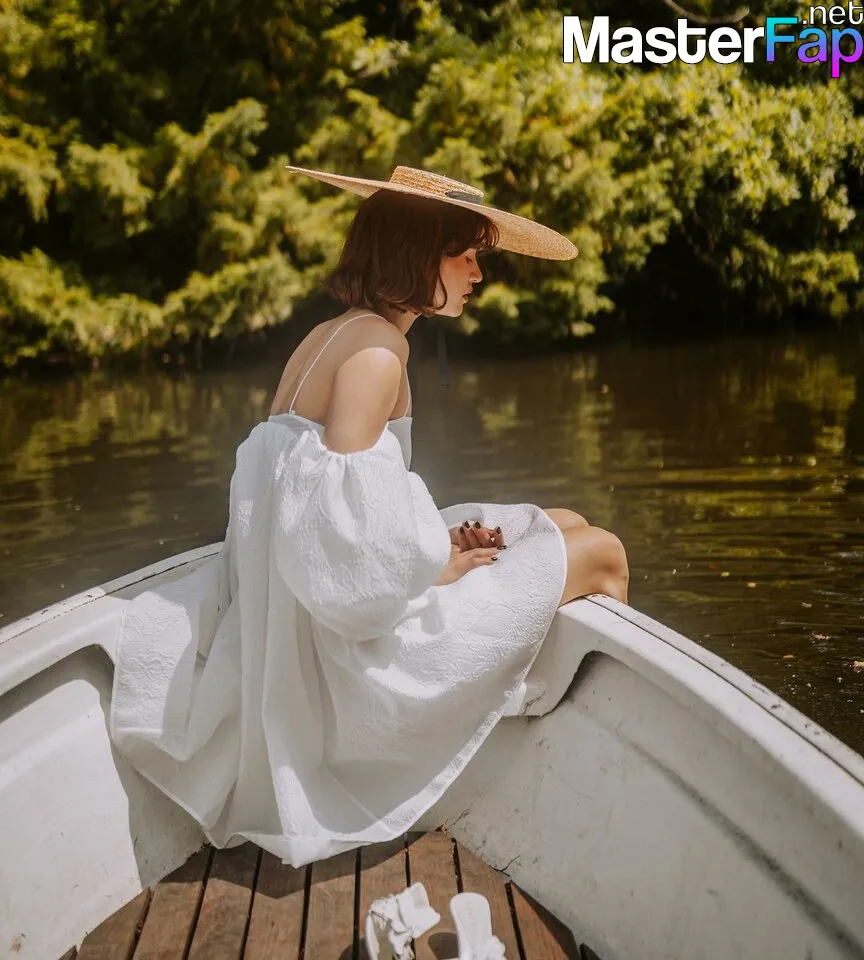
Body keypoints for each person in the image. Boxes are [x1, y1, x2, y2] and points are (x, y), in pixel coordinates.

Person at [109, 165, 629, 868]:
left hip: (304, 613)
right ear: (418, 254)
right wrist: (438, 568)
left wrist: (435, 545)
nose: (479, 273)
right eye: (465, 255)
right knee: (603, 551)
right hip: (346, 656)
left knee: (561, 520)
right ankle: (590, 789)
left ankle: (520, 693)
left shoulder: (339, 334)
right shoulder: (381, 353)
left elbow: (331, 513)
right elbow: (344, 554)